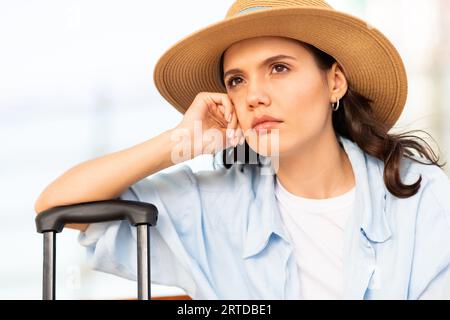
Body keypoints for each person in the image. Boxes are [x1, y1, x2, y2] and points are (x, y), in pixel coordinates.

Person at [34, 0, 450, 299]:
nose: (254, 96)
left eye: (279, 68)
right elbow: (55, 206)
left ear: (335, 82)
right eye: (237, 81)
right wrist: (178, 144)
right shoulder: (211, 207)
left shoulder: (421, 197)